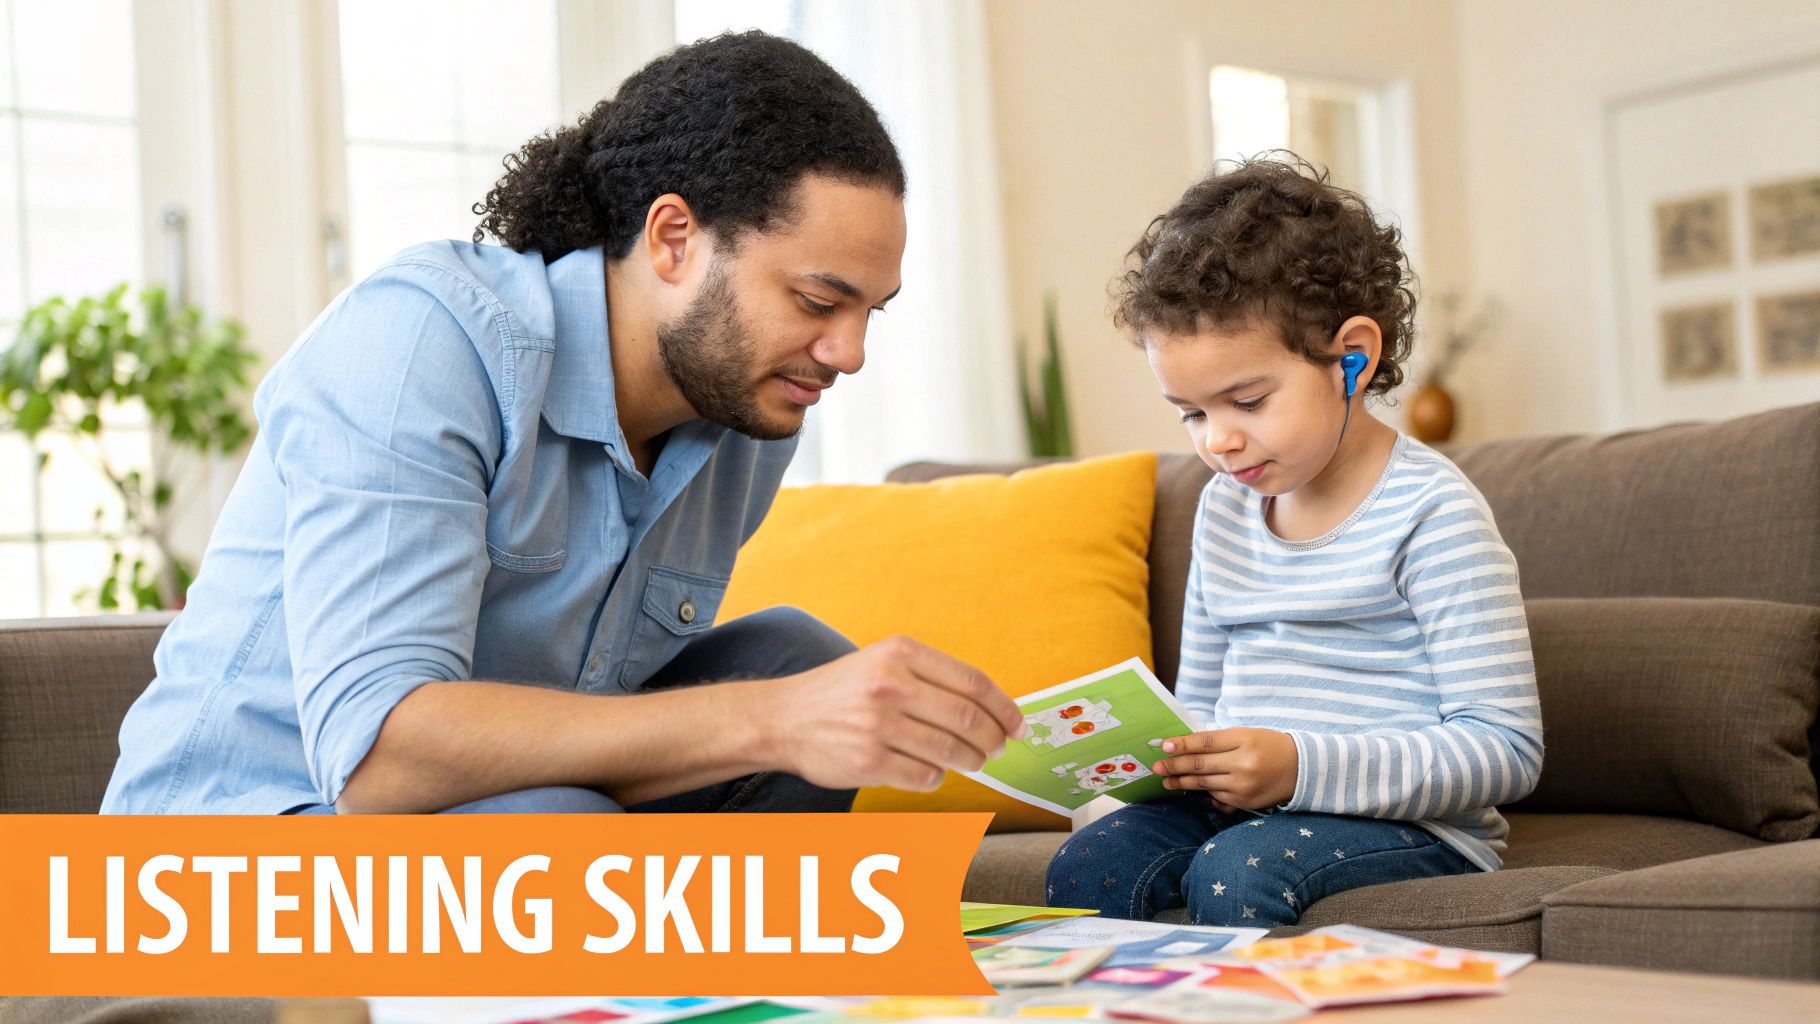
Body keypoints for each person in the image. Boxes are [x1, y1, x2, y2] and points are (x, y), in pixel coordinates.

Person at [102, 31, 1023, 818]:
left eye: (872, 311)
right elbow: (379, 761)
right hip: (238, 848)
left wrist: (808, 706)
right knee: (581, 811)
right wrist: (773, 717)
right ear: (672, 239)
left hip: (512, 814)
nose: (848, 352)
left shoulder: (744, 413)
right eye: (819, 299)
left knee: (794, 659)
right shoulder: (424, 341)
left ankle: (728, 976)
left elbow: (593, 714)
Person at [1045, 155, 1543, 925]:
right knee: (1093, 860)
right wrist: (1150, 770)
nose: (1220, 441)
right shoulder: (1222, 512)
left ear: (1353, 358)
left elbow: (1505, 748)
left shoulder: (1433, 513)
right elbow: (1201, 711)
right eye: (1192, 413)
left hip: (1410, 828)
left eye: (1246, 400)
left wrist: (1299, 767)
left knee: (1238, 873)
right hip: (1243, 814)